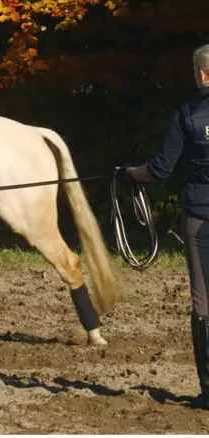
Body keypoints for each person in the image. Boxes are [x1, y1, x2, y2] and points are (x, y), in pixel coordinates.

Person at [123, 43, 209, 410]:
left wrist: (128, 174)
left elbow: (159, 168)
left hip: (201, 216)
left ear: (201, 74)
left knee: (204, 303)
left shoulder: (188, 113)